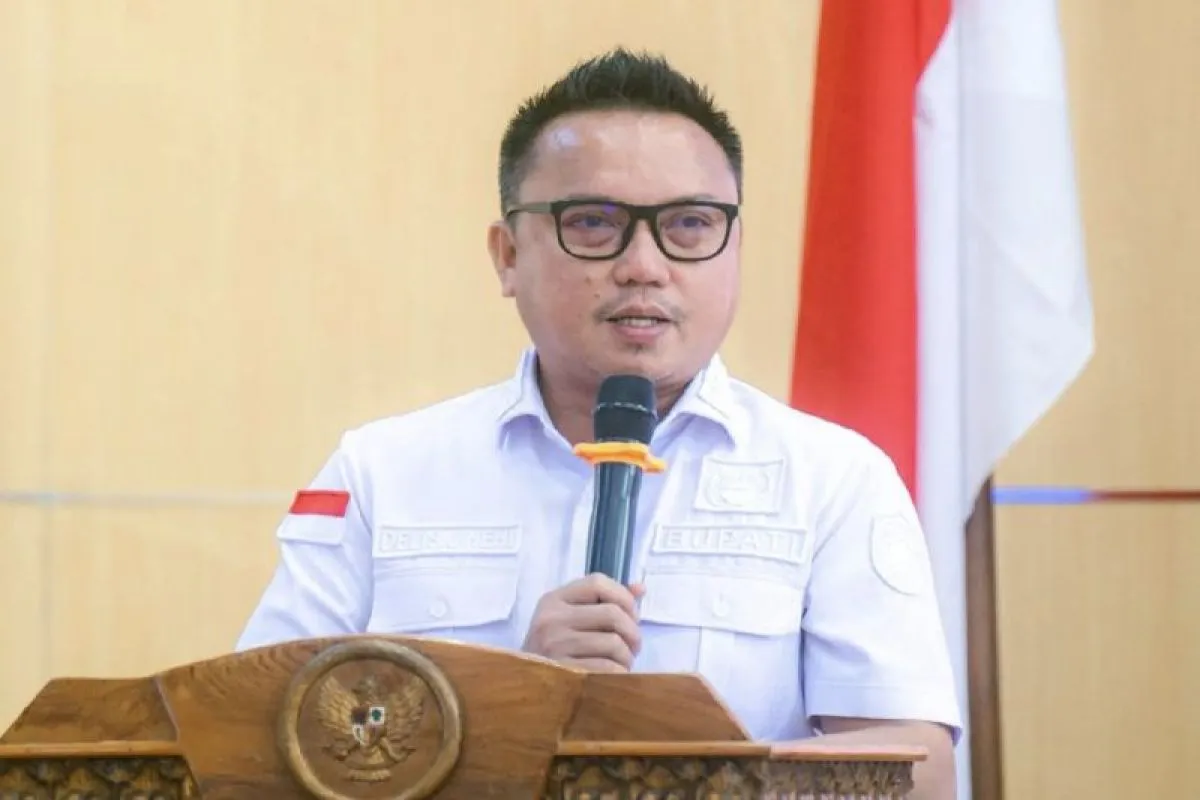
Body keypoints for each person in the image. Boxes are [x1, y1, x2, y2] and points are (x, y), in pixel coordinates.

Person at [236, 48, 961, 798]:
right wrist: (508, 707)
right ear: (508, 255)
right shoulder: (381, 474)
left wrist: (683, 776)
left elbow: (917, 771)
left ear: (735, 249)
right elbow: (256, 746)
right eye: (593, 223)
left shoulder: (833, 479)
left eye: (689, 225)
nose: (643, 265)